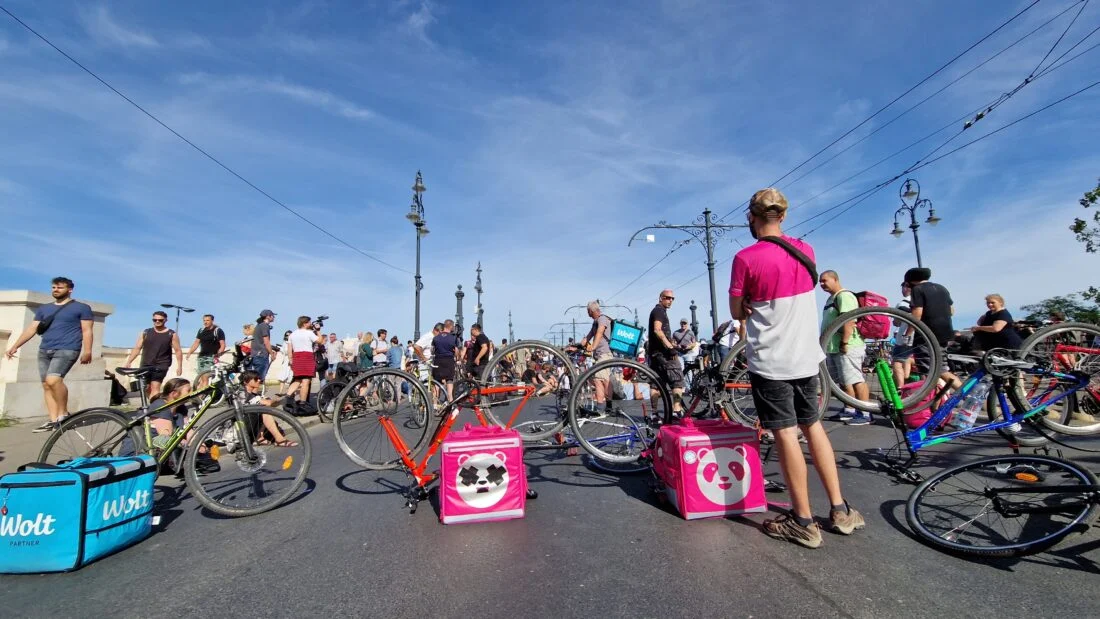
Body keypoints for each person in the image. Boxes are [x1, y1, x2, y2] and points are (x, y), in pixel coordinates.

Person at [730, 187, 863, 548]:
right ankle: (840, 510)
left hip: (771, 360)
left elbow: (736, 311)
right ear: (784, 216)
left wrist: (751, 305)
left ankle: (803, 520)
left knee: (786, 433)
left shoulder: (745, 258)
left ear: (751, 218)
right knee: (813, 426)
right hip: (808, 357)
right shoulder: (806, 251)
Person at [5, 277, 94, 432]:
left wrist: (87, 351)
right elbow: (31, 329)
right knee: (46, 385)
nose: (55, 290)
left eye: (60, 287)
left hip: (67, 348)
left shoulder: (82, 308)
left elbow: (87, 330)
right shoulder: (44, 309)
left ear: (70, 289)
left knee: (53, 380)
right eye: (53, 287)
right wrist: (15, 346)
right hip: (45, 349)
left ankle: (64, 414)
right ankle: (53, 421)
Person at [819, 270, 872, 426]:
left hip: (847, 346)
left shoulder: (845, 296)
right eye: (820, 282)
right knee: (843, 381)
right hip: (833, 347)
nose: (822, 284)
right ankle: (849, 410)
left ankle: (865, 413)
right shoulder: (831, 299)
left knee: (855, 379)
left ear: (835, 279)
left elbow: (849, 321)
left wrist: (845, 342)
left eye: (825, 280)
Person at [905, 268, 960, 389]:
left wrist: (908, 333)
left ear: (911, 280)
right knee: (940, 368)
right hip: (945, 333)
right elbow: (951, 310)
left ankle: (966, 393)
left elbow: (917, 314)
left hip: (926, 335)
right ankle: (936, 406)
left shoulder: (917, 289)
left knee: (933, 372)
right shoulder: (942, 288)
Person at [124, 310, 183, 401]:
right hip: (146, 364)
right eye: (155, 320)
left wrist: (179, 366)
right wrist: (129, 361)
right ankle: (153, 404)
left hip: (161, 364)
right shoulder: (146, 332)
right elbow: (137, 348)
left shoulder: (171, 334)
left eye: (160, 320)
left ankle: (153, 409)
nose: (157, 322)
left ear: (165, 320)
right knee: (146, 387)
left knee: (155, 387)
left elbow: (178, 350)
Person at [647, 289, 685, 414]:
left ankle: (654, 413)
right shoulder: (659, 311)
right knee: (677, 382)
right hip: (664, 355)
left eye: (672, 298)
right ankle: (677, 410)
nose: (670, 300)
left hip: (654, 355)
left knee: (655, 384)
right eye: (667, 298)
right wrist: (670, 348)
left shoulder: (658, 311)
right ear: (660, 298)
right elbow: (657, 330)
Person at [238, 371, 299, 447]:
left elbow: (269, 402)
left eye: (259, 378)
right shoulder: (242, 393)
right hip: (239, 428)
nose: (259, 380)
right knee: (264, 410)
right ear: (245, 382)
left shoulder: (251, 393)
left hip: (247, 423)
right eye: (256, 379)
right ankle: (279, 440)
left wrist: (281, 400)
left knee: (262, 408)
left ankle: (259, 438)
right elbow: (268, 403)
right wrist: (277, 400)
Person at [578, 301, 614, 413]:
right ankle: (608, 406)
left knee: (598, 379)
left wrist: (593, 347)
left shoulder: (602, 319)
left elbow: (599, 332)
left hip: (605, 354)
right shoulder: (595, 322)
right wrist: (576, 346)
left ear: (590, 310)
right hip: (600, 355)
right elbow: (588, 337)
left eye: (587, 311)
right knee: (606, 380)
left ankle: (600, 409)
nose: (587, 313)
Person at [285, 316, 323, 415]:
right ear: (305, 323)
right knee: (306, 380)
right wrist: (318, 330)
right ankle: (303, 403)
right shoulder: (309, 333)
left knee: (297, 379)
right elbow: (320, 341)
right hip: (307, 356)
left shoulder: (292, 334)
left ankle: (288, 397)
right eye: (309, 322)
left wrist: (290, 359)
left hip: (296, 356)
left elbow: (289, 348)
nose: (311, 324)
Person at [891, 282, 915, 387]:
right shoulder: (924, 302)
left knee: (897, 363)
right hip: (922, 338)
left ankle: (900, 389)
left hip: (905, 338)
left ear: (906, 288)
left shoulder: (903, 303)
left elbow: (896, 322)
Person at [431, 320, 461, 400]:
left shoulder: (436, 338)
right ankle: (450, 399)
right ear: (451, 326)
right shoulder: (453, 338)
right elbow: (456, 351)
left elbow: (432, 350)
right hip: (449, 361)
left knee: (437, 381)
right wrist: (457, 358)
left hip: (438, 360)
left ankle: (435, 402)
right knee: (449, 380)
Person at [249, 310, 277, 381]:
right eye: (272, 316)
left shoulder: (259, 325)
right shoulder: (265, 326)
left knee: (255, 377)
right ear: (268, 317)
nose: (274, 317)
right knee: (259, 379)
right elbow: (266, 342)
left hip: (255, 354)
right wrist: (271, 353)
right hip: (261, 355)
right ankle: (253, 392)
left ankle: (252, 392)